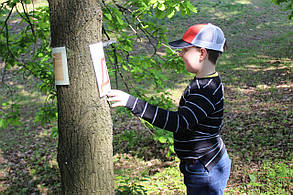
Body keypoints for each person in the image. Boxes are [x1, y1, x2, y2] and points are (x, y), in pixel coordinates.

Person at [107, 23, 231, 195]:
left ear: (202, 53)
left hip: (205, 169)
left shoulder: (206, 91)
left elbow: (178, 122)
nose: (180, 54)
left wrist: (131, 102)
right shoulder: (205, 82)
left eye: (185, 50)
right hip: (201, 163)